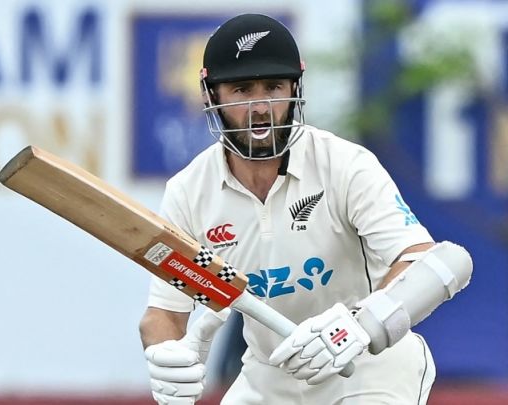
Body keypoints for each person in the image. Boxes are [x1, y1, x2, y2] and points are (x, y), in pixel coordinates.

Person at [138, 13, 473, 405]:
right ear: (211, 95)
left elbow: (428, 263)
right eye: (242, 90)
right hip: (268, 375)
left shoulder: (344, 165)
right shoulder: (189, 192)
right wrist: (167, 356)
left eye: (273, 87)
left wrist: (356, 327)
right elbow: (164, 314)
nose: (260, 108)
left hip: (366, 368)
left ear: (294, 88)